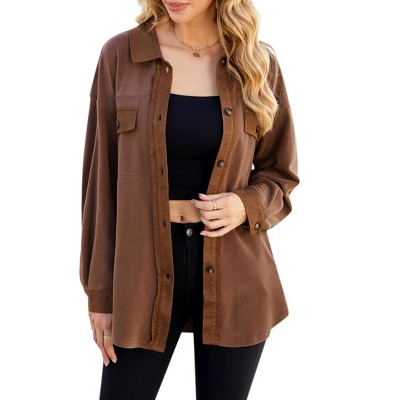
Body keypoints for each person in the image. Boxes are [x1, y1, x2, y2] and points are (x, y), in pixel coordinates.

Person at [79, 0, 299, 398]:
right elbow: (100, 182)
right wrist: (101, 294)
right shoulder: (122, 55)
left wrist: (245, 205)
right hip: (139, 277)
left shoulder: (256, 63)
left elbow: (280, 173)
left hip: (236, 274)